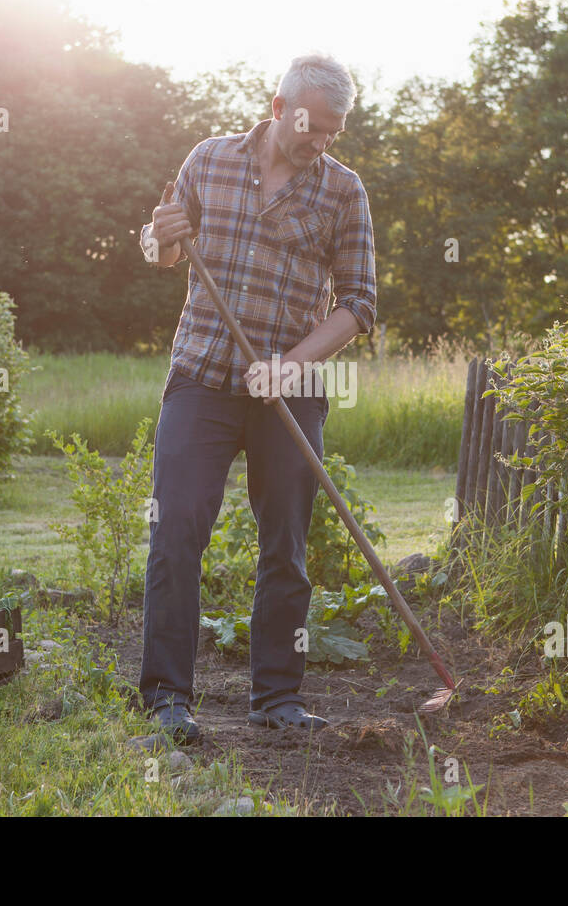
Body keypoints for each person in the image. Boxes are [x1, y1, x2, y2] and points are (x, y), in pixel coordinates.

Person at [136, 53, 377, 742]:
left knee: (286, 546)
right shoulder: (208, 160)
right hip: (201, 379)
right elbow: (161, 246)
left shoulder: (343, 191)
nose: (321, 141)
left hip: (289, 394)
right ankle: (168, 699)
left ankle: (277, 698)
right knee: (177, 529)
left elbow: (358, 304)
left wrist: (290, 365)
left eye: (334, 131)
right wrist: (162, 238)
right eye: (312, 126)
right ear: (279, 107)